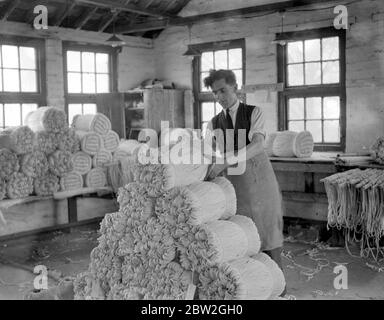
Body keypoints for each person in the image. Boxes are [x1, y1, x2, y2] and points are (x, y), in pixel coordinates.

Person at [203, 69, 285, 292]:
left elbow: (258, 145)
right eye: (214, 93)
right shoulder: (213, 123)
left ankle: (277, 289)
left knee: (268, 231)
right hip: (234, 183)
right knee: (243, 234)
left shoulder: (253, 113)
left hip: (259, 179)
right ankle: (253, 287)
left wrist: (225, 160)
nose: (219, 96)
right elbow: (209, 154)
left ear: (235, 88)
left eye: (223, 90)